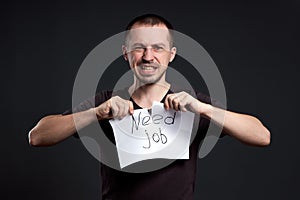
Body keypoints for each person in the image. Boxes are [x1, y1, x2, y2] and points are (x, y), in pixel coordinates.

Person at [28, 14, 271, 200]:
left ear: (171, 54)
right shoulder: (106, 102)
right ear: (126, 53)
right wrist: (96, 113)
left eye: (158, 48)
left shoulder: (192, 103)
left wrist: (204, 108)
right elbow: (38, 136)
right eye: (139, 47)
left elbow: (262, 136)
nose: (147, 56)